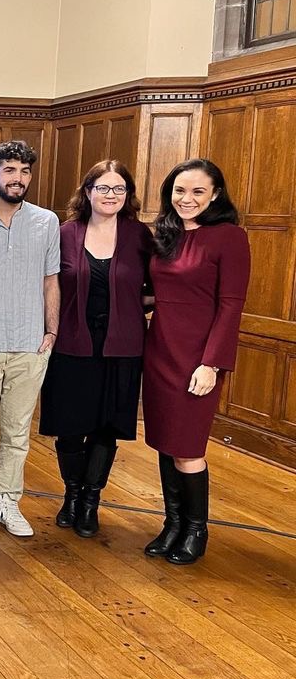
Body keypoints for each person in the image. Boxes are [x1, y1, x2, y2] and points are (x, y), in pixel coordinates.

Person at [142, 159, 249, 565]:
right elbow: (157, 292)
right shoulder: (164, 234)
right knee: (166, 444)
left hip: (198, 359)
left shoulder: (229, 237)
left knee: (188, 448)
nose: (187, 199)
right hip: (160, 351)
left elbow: (231, 305)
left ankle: (196, 530)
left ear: (215, 195)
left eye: (198, 192)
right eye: (180, 191)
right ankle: (172, 524)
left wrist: (213, 364)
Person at [39, 160, 152, 537]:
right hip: (72, 343)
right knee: (70, 427)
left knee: (107, 427)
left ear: (127, 196)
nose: (110, 196)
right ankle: (71, 495)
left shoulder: (140, 236)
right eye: (102, 188)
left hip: (122, 347)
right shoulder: (65, 232)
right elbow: (48, 283)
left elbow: (157, 288)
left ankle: (90, 501)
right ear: (87, 192)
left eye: (118, 189)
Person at [0, 141, 60, 539]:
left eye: (24, 171)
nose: (18, 179)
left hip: (30, 344)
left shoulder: (46, 221)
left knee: (18, 432)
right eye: (10, 171)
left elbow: (51, 279)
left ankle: (9, 501)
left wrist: (51, 330)